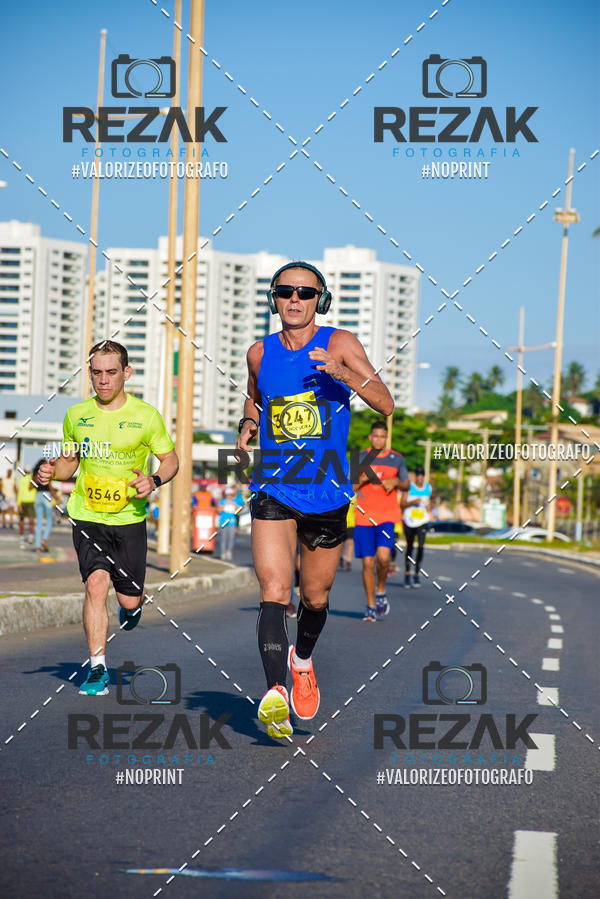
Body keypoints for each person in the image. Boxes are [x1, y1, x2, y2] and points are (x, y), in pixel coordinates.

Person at [235, 261, 394, 739]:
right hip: (274, 485)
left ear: (319, 299)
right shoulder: (259, 353)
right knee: (273, 589)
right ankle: (275, 693)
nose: (295, 300)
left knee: (315, 595)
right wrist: (247, 425)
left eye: (305, 292)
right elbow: (254, 401)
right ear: (274, 298)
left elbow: (385, 403)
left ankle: (301, 659)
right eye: (285, 292)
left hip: (327, 489)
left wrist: (344, 373)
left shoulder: (340, 342)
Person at [36, 341, 179, 696]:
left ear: (126, 373)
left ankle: (132, 606)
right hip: (87, 515)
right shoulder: (76, 415)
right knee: (95, 585)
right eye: (96, 372)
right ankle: (97, 668)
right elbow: (70, 462)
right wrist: (52, 471)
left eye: (111, 372)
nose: (103, 380)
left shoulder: (146, 416)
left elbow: (171, 459)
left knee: (129, 601)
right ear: (89, 374)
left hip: (129, 518)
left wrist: (155, 479)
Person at [353, 421, 409, 622]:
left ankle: (381, 590)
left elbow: (406, 484)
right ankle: (370, 605)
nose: (379, 439)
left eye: (382, 436)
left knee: (384, 558)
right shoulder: (359, 458)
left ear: (386, 438)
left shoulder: (397, 459)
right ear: (370, 437)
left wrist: (395, 482)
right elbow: (348, 487)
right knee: (368, 563)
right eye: (375, 436)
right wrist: (363, 480)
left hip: (387, 517)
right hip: (364, 517)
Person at [401, 465, 433, 588]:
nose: (419, 477)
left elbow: (431, 501)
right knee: (410, 547)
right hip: (409, 521)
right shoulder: (409, 487)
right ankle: (407, 574)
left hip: (422, 521)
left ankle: (416, 573)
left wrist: (430, 507)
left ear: (424, 476)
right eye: (418, 475)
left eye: (421, 475)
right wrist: (413, 502)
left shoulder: (428, 488)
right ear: (415, 476)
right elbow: (402, 504)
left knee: (420, 547)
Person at [32, 459, 60, 552]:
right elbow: (51, 488)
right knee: (49, 521)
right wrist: (57, 498)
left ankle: (38, 547)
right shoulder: (47, 474)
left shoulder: (35, 474)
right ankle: (44, 539)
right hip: (46, 496)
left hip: (38, 497)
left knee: (39, 522)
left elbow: (30, 486)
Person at [217, 485, 243, 561]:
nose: (229, 496)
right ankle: (222, 553)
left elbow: (239, 511)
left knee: (231, 539)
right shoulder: (222, 502)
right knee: (223, 539)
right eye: (228, 495)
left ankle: (229, 551)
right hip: (223, 523)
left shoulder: (235, 502)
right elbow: (218, 510)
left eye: (230, 495)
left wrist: (234, 505)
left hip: (232, 523)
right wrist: (225, 504)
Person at [16, 468, 36, 548]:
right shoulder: (32, 478)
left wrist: (18, 504)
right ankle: (31, 537)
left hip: (23, 501)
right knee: (31, 520)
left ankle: (21, 536)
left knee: (21, 520)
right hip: (31, 501)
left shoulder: (21, 479)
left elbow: (19, 492)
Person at [340, 492, 356, 571]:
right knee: (341, 543)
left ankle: (348, 561)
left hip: (351, 523)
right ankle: (341, 557)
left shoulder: (356, 495)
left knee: (350, 542)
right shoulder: (340, 492)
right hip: (341, 522)